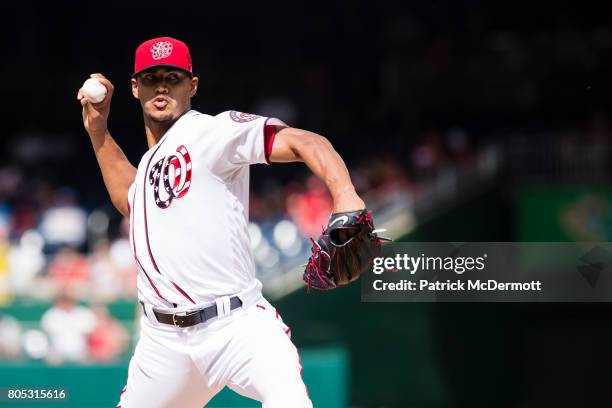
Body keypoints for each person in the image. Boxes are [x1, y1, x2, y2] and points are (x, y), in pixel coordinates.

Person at [78, 36, 366, 408]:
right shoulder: (150, 163)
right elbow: (130, 198)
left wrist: (345, 194)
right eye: (151, 77)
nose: (161, 85)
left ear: (192, 85)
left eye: (173, 76)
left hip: (235, 326)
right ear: (135, 88)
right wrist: (98, 132)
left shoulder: (215, 130)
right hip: (162, 344)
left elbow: (305, 142)